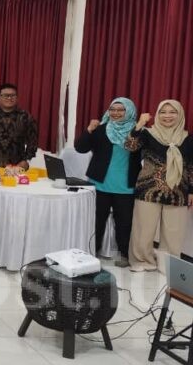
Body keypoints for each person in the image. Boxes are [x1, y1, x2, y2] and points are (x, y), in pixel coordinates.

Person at [124, 100, 193, 272]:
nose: (167, 116)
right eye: (163, 112)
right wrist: (139, 124)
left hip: (178, 190)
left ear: (180, 115)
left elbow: (191, 166)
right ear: (157, 114)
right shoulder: (148, 134)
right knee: (143, 230)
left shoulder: (187, 138)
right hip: (148, 189)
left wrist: (191, 191)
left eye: (172, 112)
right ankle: (142, 261)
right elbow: (130, 146)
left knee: (173, 233)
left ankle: (167, 265)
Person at [75, 98, 140, 266]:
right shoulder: (102, 129)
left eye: (121, 110)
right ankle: (92, 252)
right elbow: (81, 148)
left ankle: (125, 255)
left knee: (124, 223)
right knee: (96, 221)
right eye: (113, 109)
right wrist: (89, 129)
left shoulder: (137, 131)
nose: (116, 113)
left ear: (129, 111)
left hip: (126, 186)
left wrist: (139, 128)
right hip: (99, 183)